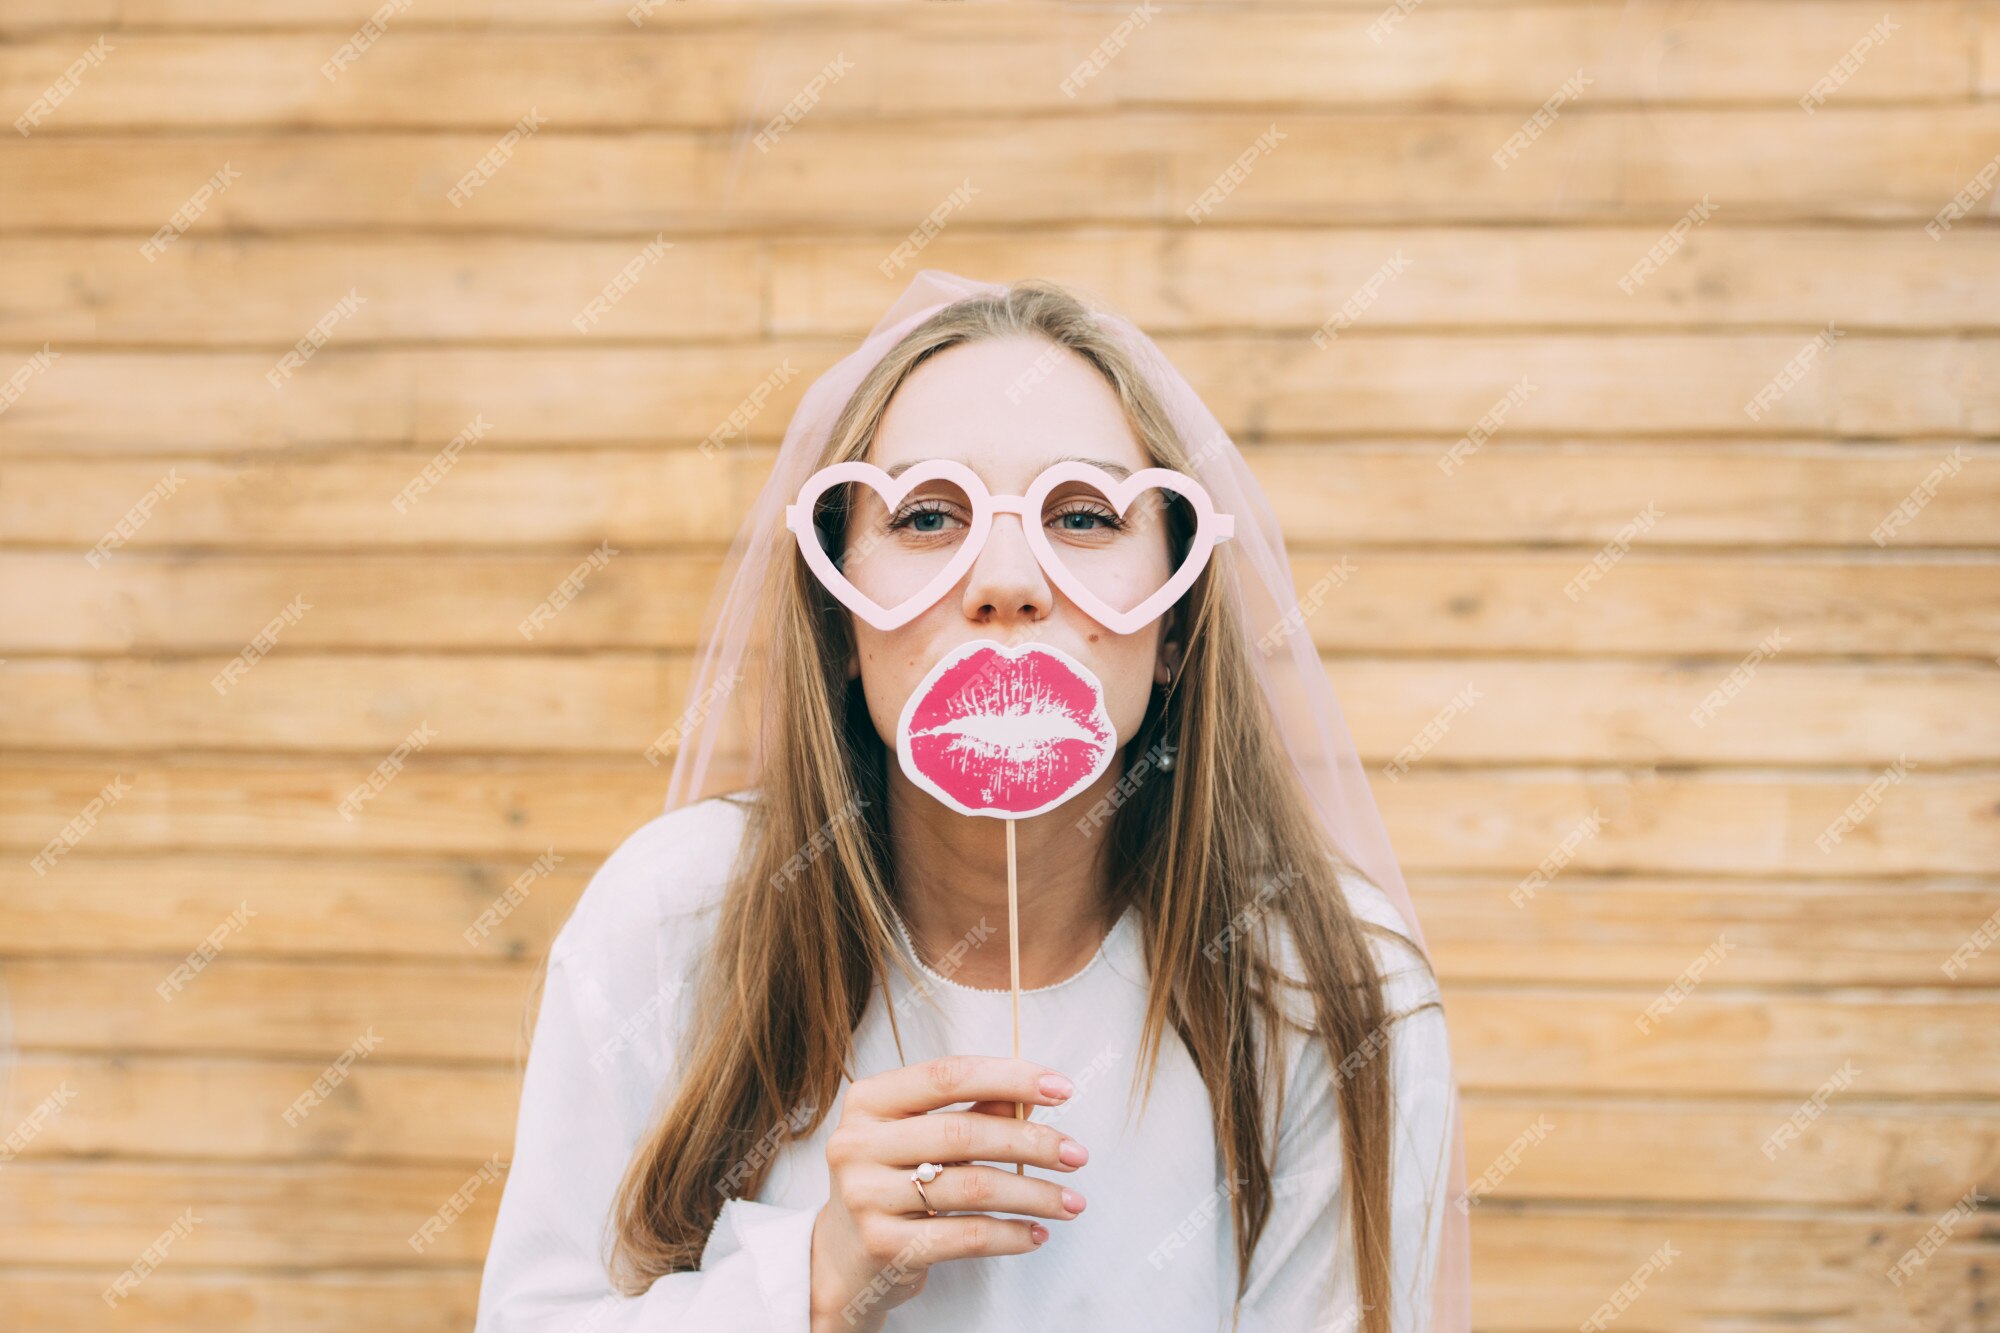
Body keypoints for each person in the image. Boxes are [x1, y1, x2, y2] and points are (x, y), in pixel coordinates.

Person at [476, 273, 1471, 1332]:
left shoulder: (1329, 993)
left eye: (1084, 515)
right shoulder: (670, 920)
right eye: (925, 516)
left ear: (1175, 626)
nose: (1005, 577)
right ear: (839, 623)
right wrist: (810, 1281)